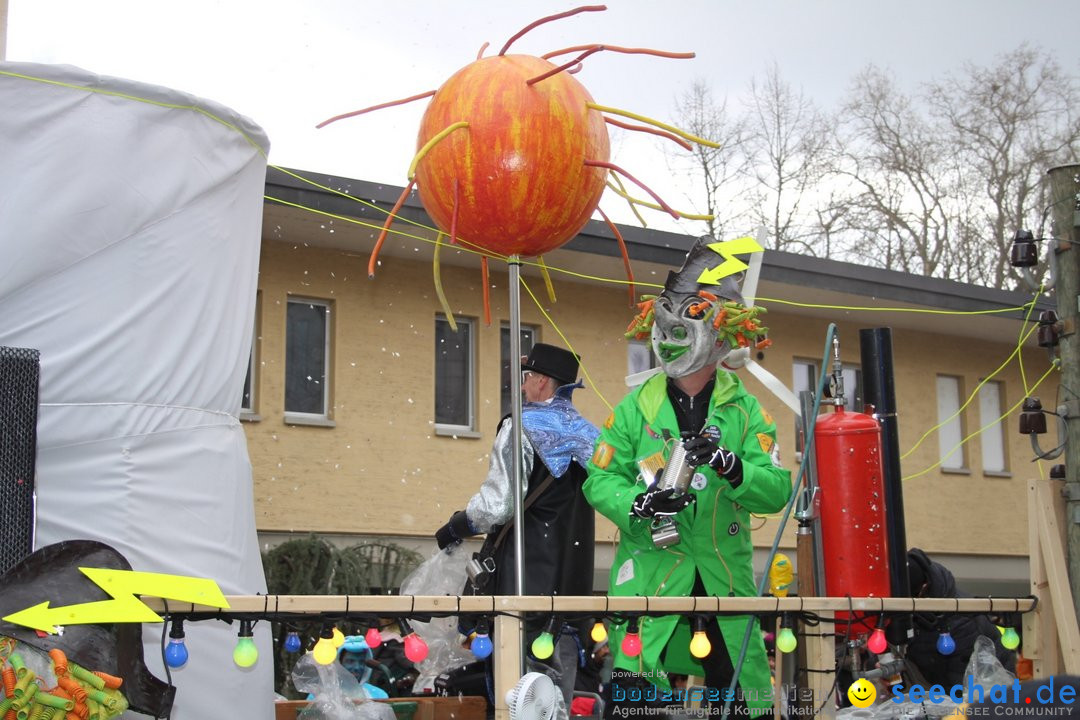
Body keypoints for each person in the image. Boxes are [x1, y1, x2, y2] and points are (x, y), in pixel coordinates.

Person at [584, 237, 791, 718]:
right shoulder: (634, 409)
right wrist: (639, 502)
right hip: (651, 579)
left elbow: (777, 489)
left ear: (723, 336)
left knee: (740, 700)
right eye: (666, 319)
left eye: (691, 317)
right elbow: (598, 478)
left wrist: (732, 467)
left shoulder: (746, 413)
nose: (672, 332)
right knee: (636, 701)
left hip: (725, 582)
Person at [435, 343, 599, 712]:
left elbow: (497, 505)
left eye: (526, 379)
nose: (522, 388)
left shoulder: (520, 427)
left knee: (518, 698)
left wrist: (456, 526)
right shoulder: (592, 436)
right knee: (555, 699)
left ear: (541, 380)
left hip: (522, 587)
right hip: (572, 593)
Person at [903, 547, 1016, 688]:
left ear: (923, 589)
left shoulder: (961, 617)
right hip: (944, 686)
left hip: (986, 687)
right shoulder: (921, 611)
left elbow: (963, 680)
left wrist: (955, 708)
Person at [307, 635, 390, 700]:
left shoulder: (379, 695)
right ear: (339, 664)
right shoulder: (320, 696)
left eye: (361, 662)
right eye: (350, 661)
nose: (357, 667)